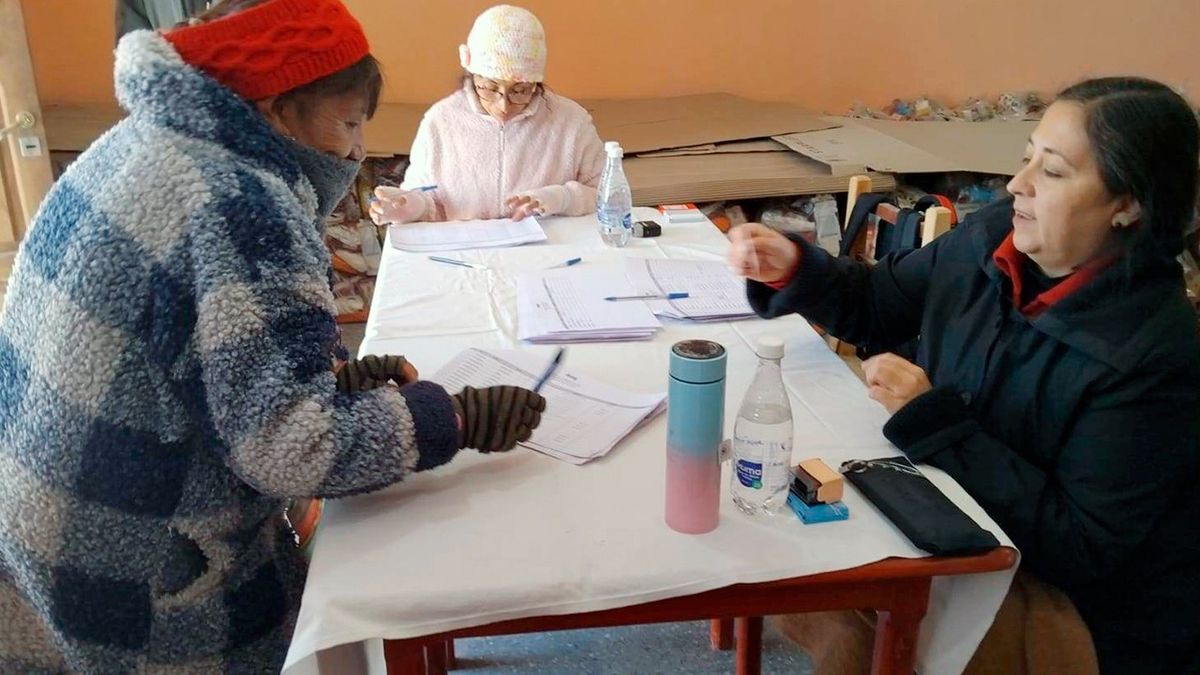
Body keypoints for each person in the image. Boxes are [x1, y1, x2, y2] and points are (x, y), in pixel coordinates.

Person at [0, 0, 545, 672]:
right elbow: (290, 446)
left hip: (41, 521)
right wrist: (450, 418)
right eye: (348, 122)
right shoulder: (240, 202)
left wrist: (321, 378)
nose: (356, 150)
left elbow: (193, 353)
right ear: (278, 108)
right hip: (138, 568)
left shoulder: (138, 145)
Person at [729, 77, 1200, 674]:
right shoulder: (997, 235)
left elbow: (1081, 545)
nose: (1018, 185)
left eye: (1053, 172)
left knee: (852, 609)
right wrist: (795, 267)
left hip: (1083, 606)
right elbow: (877, 304)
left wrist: (933, 421)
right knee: (788, 541)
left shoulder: (1152, 354)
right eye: (1026, 158)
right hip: (960, 513)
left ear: (1128, 204)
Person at [369, 4, 605, 224]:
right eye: (490, 88)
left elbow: (607, 194)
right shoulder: (440, 121)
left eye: (520, 91)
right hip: (467, 251)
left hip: (552, 250)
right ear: (472, 76)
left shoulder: (570, 121)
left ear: (537, 83)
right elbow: (425, 197)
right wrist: (407, 206)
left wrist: (561, 198)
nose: (503, 106)